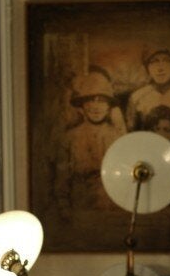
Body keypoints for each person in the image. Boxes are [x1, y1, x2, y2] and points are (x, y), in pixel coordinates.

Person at [54, 65, 126, 219]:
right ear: (81, 107)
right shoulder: (70, 137)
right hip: (79, 204)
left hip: (111, 206)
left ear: (109, 107)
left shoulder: (117, 137)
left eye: (102, 101)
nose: (96, 106)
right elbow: (62, 176)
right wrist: (63, 206)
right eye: (90, 101)